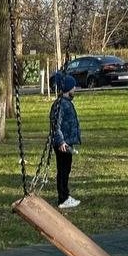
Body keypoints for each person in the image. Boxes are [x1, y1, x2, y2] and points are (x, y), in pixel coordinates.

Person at [50, 72, 82, 209]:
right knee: (63, 170)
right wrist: (61, 142)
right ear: (68, 88)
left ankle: (65, 195)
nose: (75, 89)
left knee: (66, 169)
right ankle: (63, 198)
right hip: (62, 144)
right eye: (73, 87)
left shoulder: (66, 103)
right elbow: (55, 125)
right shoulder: (60, 105)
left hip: (67, 143)